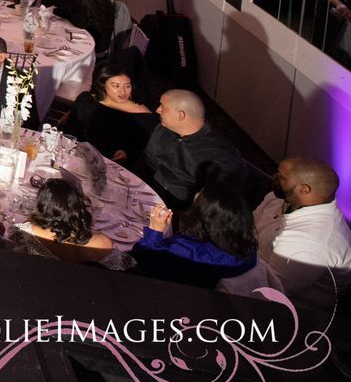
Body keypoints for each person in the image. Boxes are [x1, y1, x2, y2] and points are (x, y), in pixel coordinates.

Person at [252, 158, 351, 314]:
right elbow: (250, 226)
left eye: (282, 177)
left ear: (305, 190)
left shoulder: (312, 240)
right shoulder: (280, 198)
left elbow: (270, 291)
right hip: (251, 267)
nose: (274, 176)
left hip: (288, 313)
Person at [132, 186, 260, 288]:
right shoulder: (246, 249)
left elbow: (139, 265)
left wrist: (155, 231)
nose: (197, 193)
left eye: (201, 199)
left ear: (207, 218)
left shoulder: (184, 250)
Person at [141, 89, 245, 209]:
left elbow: (214, 206)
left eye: (163, 107)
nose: (157, 110)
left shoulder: (219, 157)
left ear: (181, 115)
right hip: (148, 193)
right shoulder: (164, 129)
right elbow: (148, 160)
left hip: (178, 212)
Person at [67, 67, 156, 162]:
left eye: (127, 86)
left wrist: (126, 153)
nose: (122, 92)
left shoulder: (143, 116)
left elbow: (142, 148)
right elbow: (71, 126)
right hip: (75, 152)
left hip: (110, 161)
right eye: (116, 86)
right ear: (103, 85)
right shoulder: (87, 100)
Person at [17, 177, 116, 261]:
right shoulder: (103, 243)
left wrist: (35, 216)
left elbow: (14, 237)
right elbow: (117, 263)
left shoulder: (27, 231)